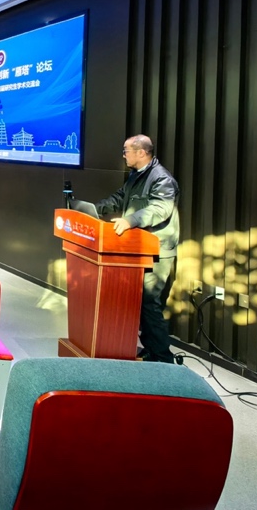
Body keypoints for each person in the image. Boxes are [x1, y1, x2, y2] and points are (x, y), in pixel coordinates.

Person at [95, 134, 180, 364]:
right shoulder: (136, 176)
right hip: (139, 249)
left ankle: (163, 359)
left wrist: (130, 220)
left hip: (158, 251)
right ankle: (151, 350)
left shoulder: (162, 179)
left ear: (141, 152)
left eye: (126, 151)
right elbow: (119, 198)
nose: (124, 155)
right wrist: (93, 209)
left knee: (150, 304)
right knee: (140, 304)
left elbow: (160, 209)